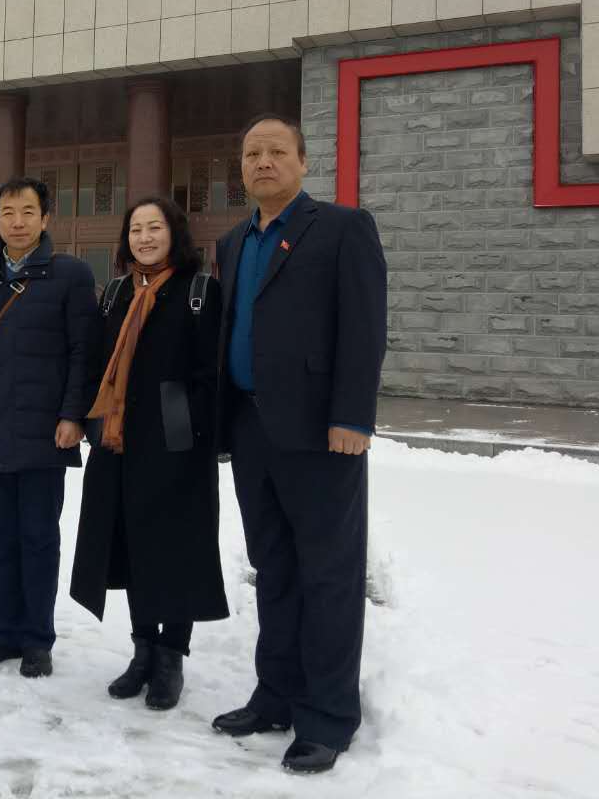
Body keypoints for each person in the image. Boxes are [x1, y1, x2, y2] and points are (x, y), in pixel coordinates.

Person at [210, 114, 387, 774]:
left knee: (328, 574)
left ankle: (328, 716)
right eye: (251, 153)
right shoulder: (233, 241)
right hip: (251, 428)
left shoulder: (342, 228)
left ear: (303, 161)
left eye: (276, 151)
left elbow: (365, 328)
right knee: (274, 568)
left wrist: (354, 417)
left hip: (321, 434)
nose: (262, 161)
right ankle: (275, 695)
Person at [69, 196, 229, 710]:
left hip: (177, 445)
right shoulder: (118, 291)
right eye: (136, 229)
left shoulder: (199, 290)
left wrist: (185, 423)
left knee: (175, 550)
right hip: (120, 444)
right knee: (133, 547)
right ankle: (142, 650)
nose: (144, 238)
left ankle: (171, 657)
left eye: (154, 227)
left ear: (174, 233)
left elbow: (211, 372)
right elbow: (99, 360)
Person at [0, 177, 99, 678]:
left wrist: (73, 414)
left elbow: (83, 352)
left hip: (44, 429)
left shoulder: (70, 274)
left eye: (28, 212)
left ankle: (37, 639)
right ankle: (4, 633)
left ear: (45, 217)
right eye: (8, 213)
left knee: (38, 538)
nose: (17, 222)